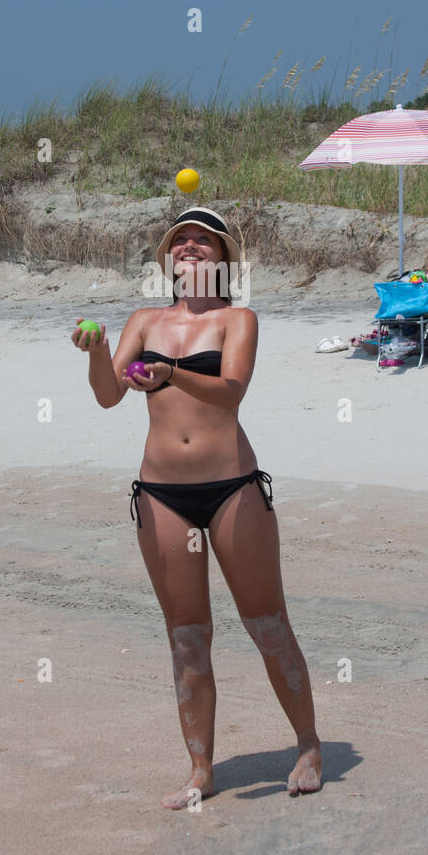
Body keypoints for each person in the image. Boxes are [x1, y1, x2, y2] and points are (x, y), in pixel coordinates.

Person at [71, 207, 322, 809]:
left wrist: (170, 372)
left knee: (267, 623)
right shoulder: (143, 320)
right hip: (163, 495)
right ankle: (201, 769)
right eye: (180, 241)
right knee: (187, 637)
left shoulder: (240, 319)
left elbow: (231, 391)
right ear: (168, 261)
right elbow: (109, 396)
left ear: (223, 260)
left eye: (203, 241)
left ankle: (309, 745)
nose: (190, 247)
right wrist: (97, 348)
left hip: (232, 485)